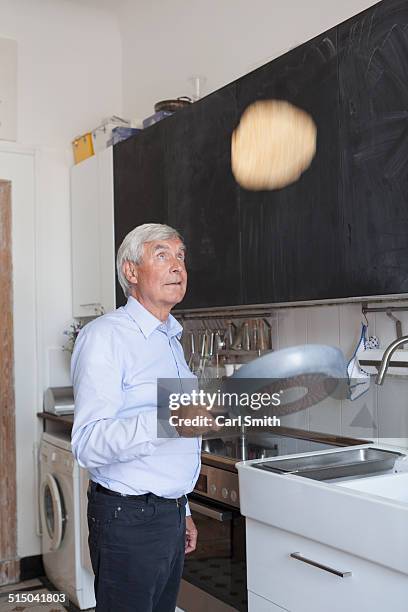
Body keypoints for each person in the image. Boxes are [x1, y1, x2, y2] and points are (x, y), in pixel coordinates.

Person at [71, 223, 207, 612]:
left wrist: (182, 510)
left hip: (166, 514)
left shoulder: (171, 340)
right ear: (131, 272)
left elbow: (175, 441)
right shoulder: (105, 337)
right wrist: (170, 419)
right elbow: (88, 443)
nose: (177, 266)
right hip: (128, 519)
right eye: (161, 255)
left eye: (181, 256)